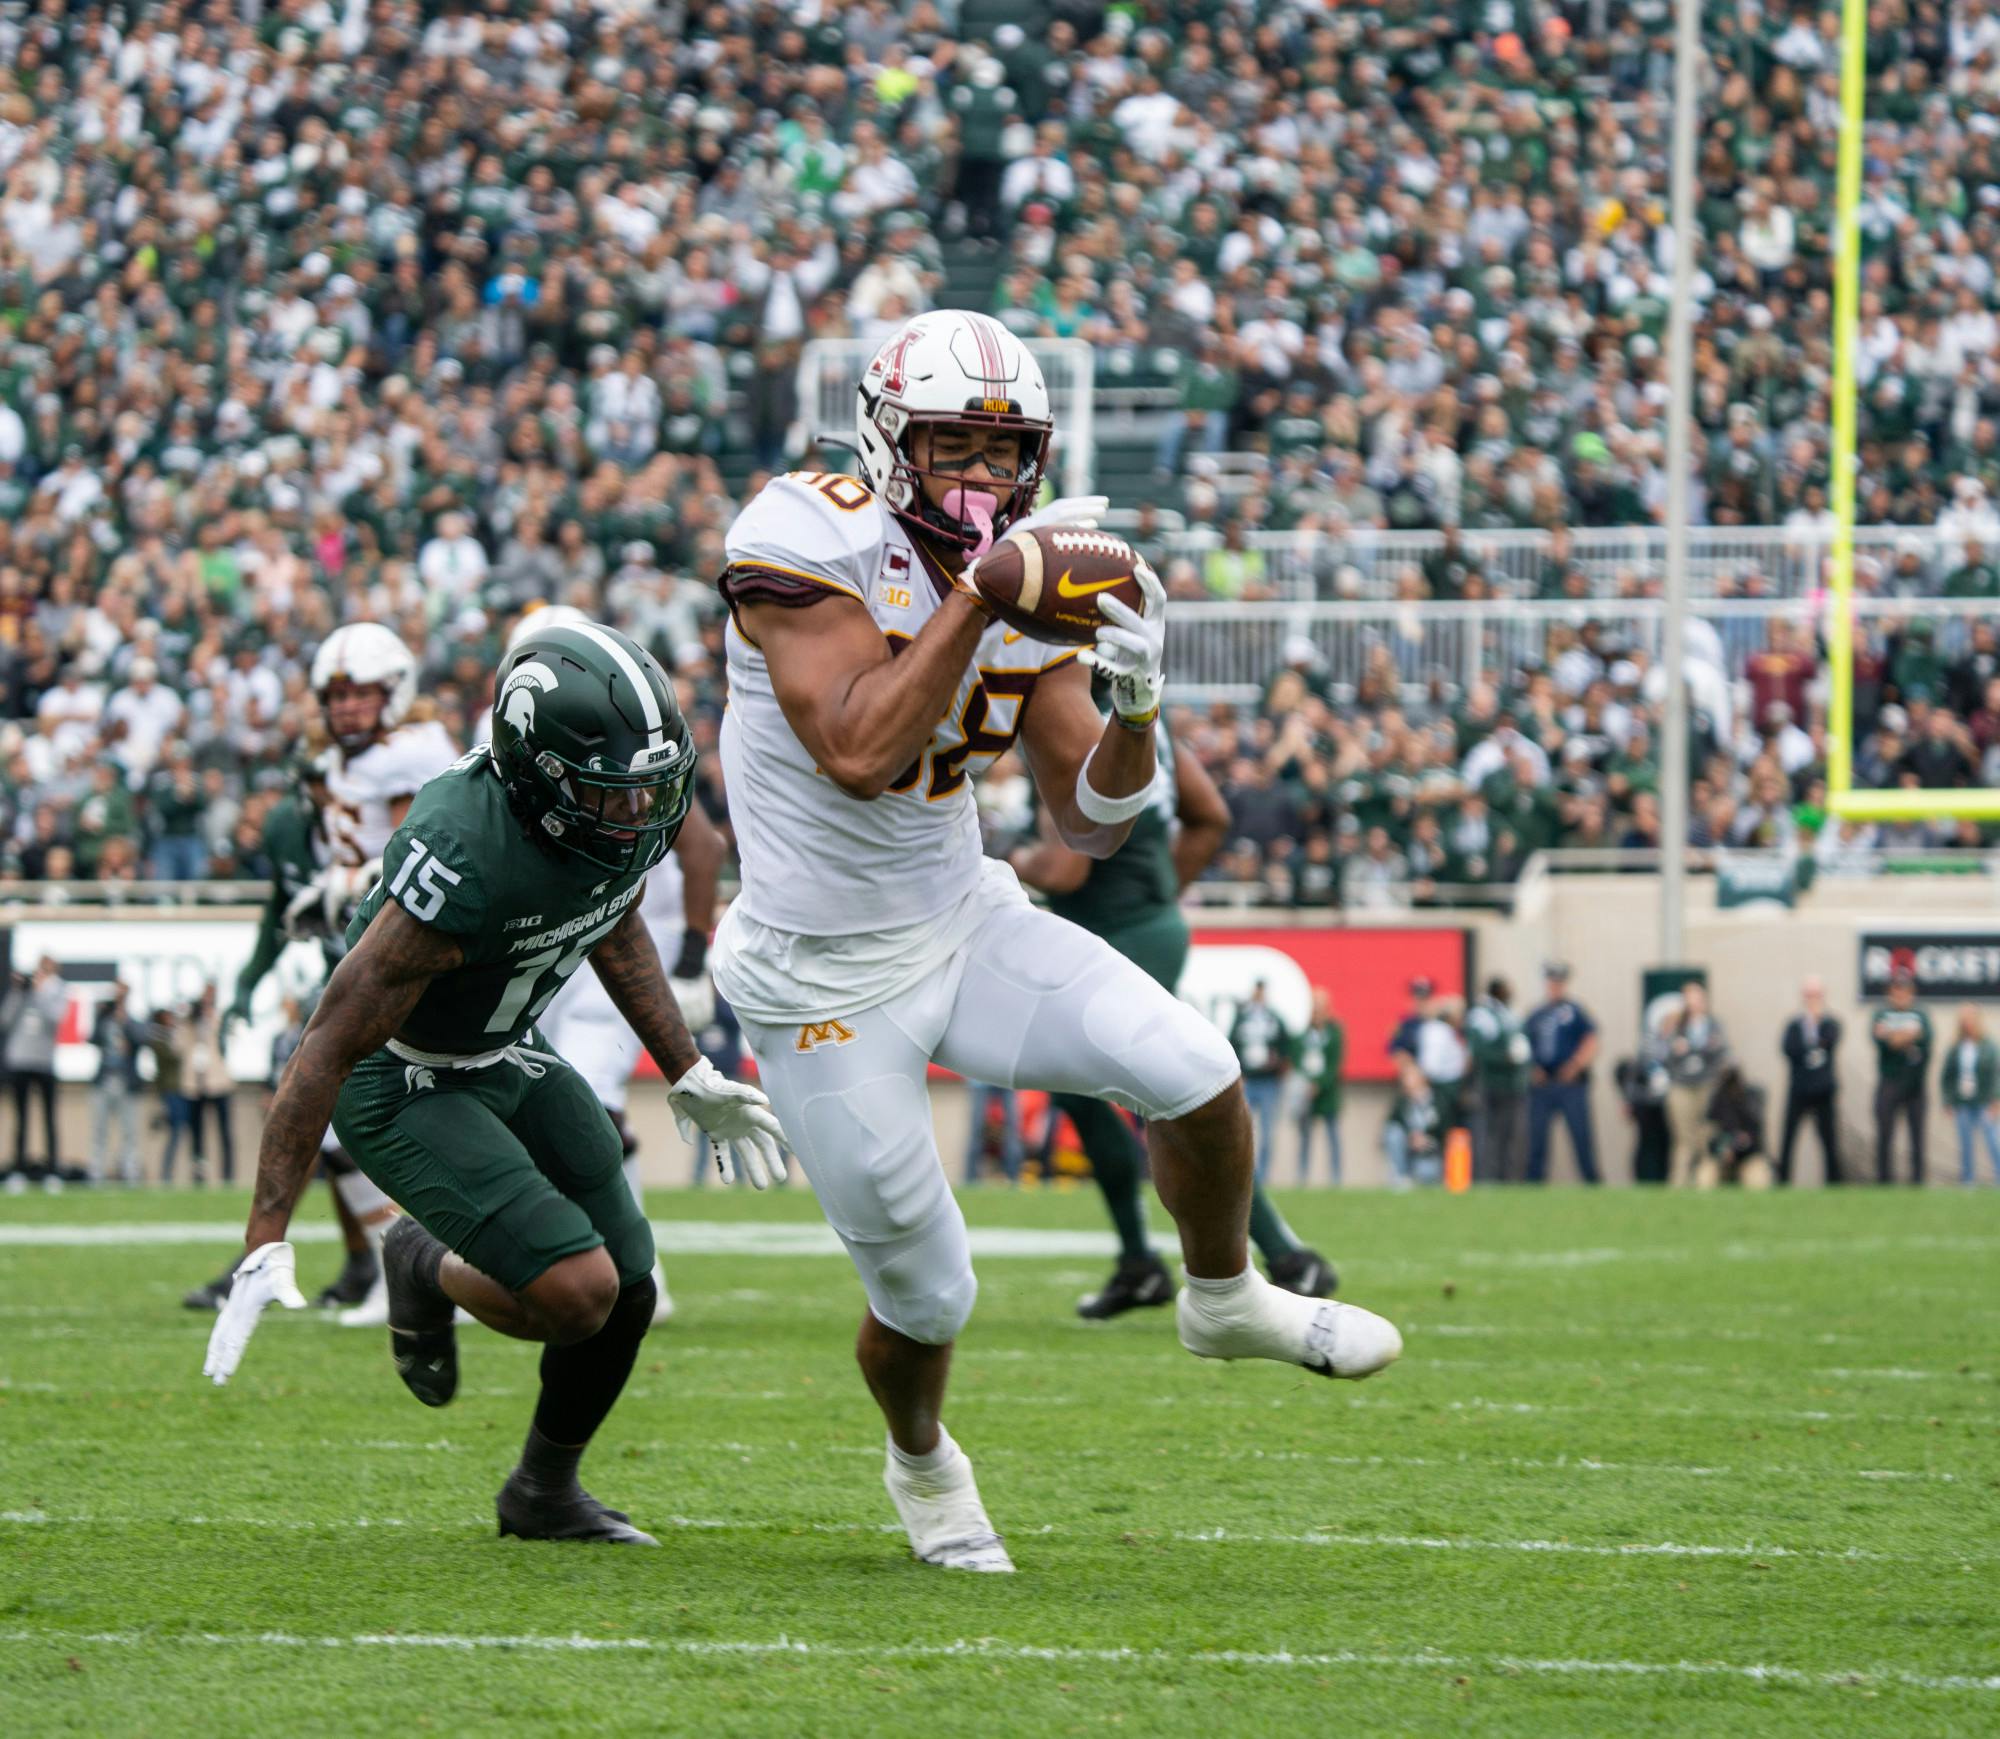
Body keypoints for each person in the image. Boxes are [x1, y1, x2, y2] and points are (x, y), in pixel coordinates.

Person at [709, 310, 1400, 1573]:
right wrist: (981, 600)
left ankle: (1222, 1294)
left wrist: (1135, 707)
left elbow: (1086, 815)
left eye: (1002, 452)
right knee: (928, 1294)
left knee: (1193, 1066)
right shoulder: (805, 529)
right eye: (950, 448)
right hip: (817, 969)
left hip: (958, 914)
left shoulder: (1029, 574)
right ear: (886, 438)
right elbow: (860, 750)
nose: (979, 480)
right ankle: (922, 1460)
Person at [204, 620, 786, 1547]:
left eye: (649, 786)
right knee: (578, 1292)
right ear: (539, 777)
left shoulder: (607, 824)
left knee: (632, 1288)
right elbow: (323, 1046)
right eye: (614, 792)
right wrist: (265, 1234)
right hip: (403, 1078)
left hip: (508, 1048)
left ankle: (542, 1492)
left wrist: (687, 1070)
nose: (640, 811)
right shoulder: (462, 850)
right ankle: (418, 1262)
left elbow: (612, 913)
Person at [1010, 716, 1339, 1315]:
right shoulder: (1139, 719)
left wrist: (1007, 858)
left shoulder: (1073, 714)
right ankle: (1142, 1263)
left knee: (1166, 1092)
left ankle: (1285, 1254)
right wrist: (1158, 893)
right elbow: (1210, 815)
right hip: (1135, 926)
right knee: (1082, 1094)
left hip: (1116, 932)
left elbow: (1065, 870)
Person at [529, 606, 731, 1325]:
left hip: (629, 946)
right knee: (540, 1107)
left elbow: (703, 849)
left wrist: (690, 955)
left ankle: (639, 1271)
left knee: (590, 1099)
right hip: (569, 948)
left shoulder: (623, 746)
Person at [185, 756, 393, 1312]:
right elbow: (280, 908)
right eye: (328, 788)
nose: (339, 799)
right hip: (346, 986)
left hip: (400, 985)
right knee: (319, 1124)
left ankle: (398, 1264)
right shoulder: (288, 829)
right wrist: (250, 982)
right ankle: (370, 1263)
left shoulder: (391, 811)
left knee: (332, 1125)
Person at [1525, 962, 1600, 1183]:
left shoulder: (1574, 1011)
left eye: (1558, 982)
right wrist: (1532, 1068)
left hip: (1570, 1084)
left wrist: (1576, 1064)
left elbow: (1591, 1040)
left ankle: (1591, 1182)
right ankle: (1534, 1183)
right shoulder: (1536, 1014)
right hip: (1543, 1085)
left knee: (1581, 1136)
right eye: (1551, 981)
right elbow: (1524, 1044)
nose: (1554, 986)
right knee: (1537, 1139)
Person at [3, 958, 67, 1186]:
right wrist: (18, 992)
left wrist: (39, 993)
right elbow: (5, 1019)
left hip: (44, 1062)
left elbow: (55, 1018)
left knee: (49, 1117)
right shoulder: (22, 993)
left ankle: (52, 1170)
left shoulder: (57, 991)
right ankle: (18, 1169)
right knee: (21, 1118)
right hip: (20, 1060)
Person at [1663, 981, 1730, 1188]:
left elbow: (1720, 1054)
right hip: (1682, 1085)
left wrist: (1694, 1050)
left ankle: (1705, 1182)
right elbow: (1665, 1055)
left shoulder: (1714, 1025)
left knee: (1707, 1134)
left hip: (1706, 1085)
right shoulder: (1676, 1025)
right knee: (1684, 1138)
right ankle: (1678, 1183)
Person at [1464, 977, 1531, 1182]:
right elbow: (1478, 1051)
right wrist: (1505, 1058)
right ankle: (1487, 1179)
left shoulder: (1508, 1014)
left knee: (1510, 1135)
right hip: (1491, 1085)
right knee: (1488, 1135)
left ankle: (1507, 1179)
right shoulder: (1481, 1015)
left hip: (1513, 1086)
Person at [1870, 967, 1932, 1184]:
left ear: (1911, 991)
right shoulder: (1882, 1014)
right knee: (1885, 1135)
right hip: (1889, 1082)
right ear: (1890, 991)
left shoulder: (1921, 1014)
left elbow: (1925, 1040)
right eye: (1897, 989)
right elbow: (1882, 1042)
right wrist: (1908, 1036)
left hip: (1915, 1084)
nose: (1901, 993)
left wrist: (1894, 1036)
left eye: (1905, 989)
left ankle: (1917, 1182)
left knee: (1917, 1138)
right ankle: (1884, 1182)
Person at [1778, 977, 1843, 1185]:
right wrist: (1812, 1045)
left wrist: (1815, 1029)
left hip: (1823, 1090)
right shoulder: (1795, 1025)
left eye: (1816, 995)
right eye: (1809, 995)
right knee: (1788, 1138)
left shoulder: (1830, 1023)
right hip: (1799, 1089)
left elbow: (1830, 1041)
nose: (1812, 999)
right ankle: (1783, 1181)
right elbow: (1790, 1050)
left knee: (1829, 1141)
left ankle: (1834, 1184)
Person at [1229, 980, 1292, 1184]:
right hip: (1248, 1081)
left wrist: (1279, 1064)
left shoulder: (1274, 1019)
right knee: (1243, 1129)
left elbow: (1287, 1046)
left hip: (1268, 1082)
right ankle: (1247, 1175)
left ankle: (1263, 1176)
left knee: (1266, 1130)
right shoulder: (1242, 1019)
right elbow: (1231, 1045)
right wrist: (1239, 1074)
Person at [176, 985, 237, 1186]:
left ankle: (228, 1175)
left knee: (225, 1133)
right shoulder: (189, 1023)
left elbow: (230, 1038)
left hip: (218, 1083)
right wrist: (188, 1020)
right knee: (196, 1134)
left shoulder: (219, 1018)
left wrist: (213, 1019)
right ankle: (199, 1174)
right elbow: (178, 1046)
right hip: (195, 1085)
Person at [88, 981, 148, 1186]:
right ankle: (96, 1172)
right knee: (99, 1130)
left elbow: (142, 1038)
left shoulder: (134, 1017)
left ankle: (129, 1170)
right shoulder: (104, 1017)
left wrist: (126, 1020)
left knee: (129, 1131)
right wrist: (99, 1013)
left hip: (126, 1083)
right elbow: (92, 1038)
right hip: (104, 1081)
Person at [1940, 1002, 2000, 1186]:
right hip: (1963, 1102)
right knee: (1965, 1143)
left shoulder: (1988, 1046)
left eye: (1971, 1019)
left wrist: (1996, 1099)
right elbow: (1947, 1076)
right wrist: (1948, 1100)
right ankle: (1967, 1180)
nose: (1968, 1023)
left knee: (1992, 1140)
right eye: (1964, 1020)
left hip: (1983, 1100)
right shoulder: (1956, 1047)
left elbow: (1995, 1074)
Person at [1293, 989, 1345, 1186]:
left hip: (1327, 1092)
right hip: (1306, 1092)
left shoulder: (1334, 1032)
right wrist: (1305, 1084)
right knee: (1305, 1136)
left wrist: (1320, 1084)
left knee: (1332, 1135)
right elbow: (1296, 1058)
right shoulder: (1302, 1033)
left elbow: (1335, 1063)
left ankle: (1336, 1177)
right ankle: (1302, 1176)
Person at [1699, 1067, 1773, 1190]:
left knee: (1759, 1181)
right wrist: (1722, 1149)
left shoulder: (1750, 1107)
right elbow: (1709, 1140)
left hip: (1746, 1159)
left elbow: (1755, 1142)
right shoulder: (1716, 1106)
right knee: (1705, 1177)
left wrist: (1737, 1149)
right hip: (1720, 1160)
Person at [1383, 1057, 1444, 1186]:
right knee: (1393, 1132)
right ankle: (1401, 1176)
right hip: (1408, 1151)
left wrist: (1426, 1139)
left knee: (1426, 1173)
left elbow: (1444, 1129)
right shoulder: (1402, 1102)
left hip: (1429, 1152)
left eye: (1410, 1077)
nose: (1407, 1081)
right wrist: (1410, 1137)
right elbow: (1392, 1123)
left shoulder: (1438, 1101)